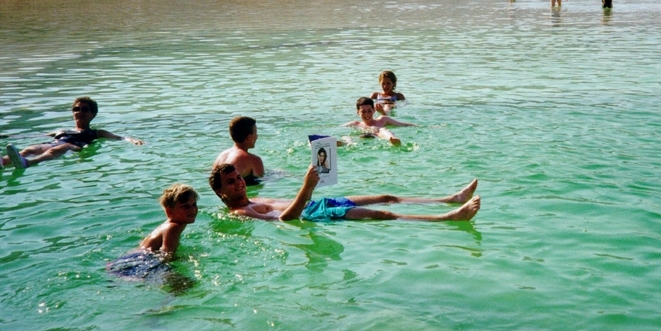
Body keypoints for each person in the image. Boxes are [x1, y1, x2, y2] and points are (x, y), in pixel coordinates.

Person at [210, 163, 481, 222]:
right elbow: (285, 220)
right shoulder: (242, 211)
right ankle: (447, 218)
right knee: (382, 213)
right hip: (316, 213)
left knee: (386, 196)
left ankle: (449, 198)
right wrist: (306, 187)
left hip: (318, 202)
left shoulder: (253, 197)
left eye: (238, 178)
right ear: (221, 193)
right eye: (231, 182)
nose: (239, 183)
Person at [0, 96, 144, 169]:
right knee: (31, 148)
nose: (79, 112)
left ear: (93, 114)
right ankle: (2, 162)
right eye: (76, 109)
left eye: (84, 110)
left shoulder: (97, 132)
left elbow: (120, 137)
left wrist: (133, 140)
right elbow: (31, 135)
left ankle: (27, 163)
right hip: (56, 143)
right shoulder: (60, 130)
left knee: (61, 147)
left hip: (76, 148)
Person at [107, 184, 199, 280]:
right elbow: (167, 254)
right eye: (185, 206)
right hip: (138, 262)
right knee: (183, 283)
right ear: (169, 212)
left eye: (194, 204)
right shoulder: (173, 227)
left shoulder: (170, 225)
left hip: (131, 259)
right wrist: (185, 258)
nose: (192, 209)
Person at [213, 116, 264, 185]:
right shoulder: (254, 160)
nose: (257, 136)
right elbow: (262, 181)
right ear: (249, 138)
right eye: (255, 133)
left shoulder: (222, 155)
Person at [344, 96, 414, 146]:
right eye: (363, 112)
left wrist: (419, 126)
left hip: (377, 136)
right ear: (358, 112)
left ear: (374, 110)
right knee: (347, 136)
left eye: (369, 111)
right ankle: (348, 144)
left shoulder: (382, 120)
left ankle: (392, 139)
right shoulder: (355, 124)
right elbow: (336, 127)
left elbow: (402, 124)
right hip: (361, 137)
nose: (367, 114)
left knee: (382, 129)